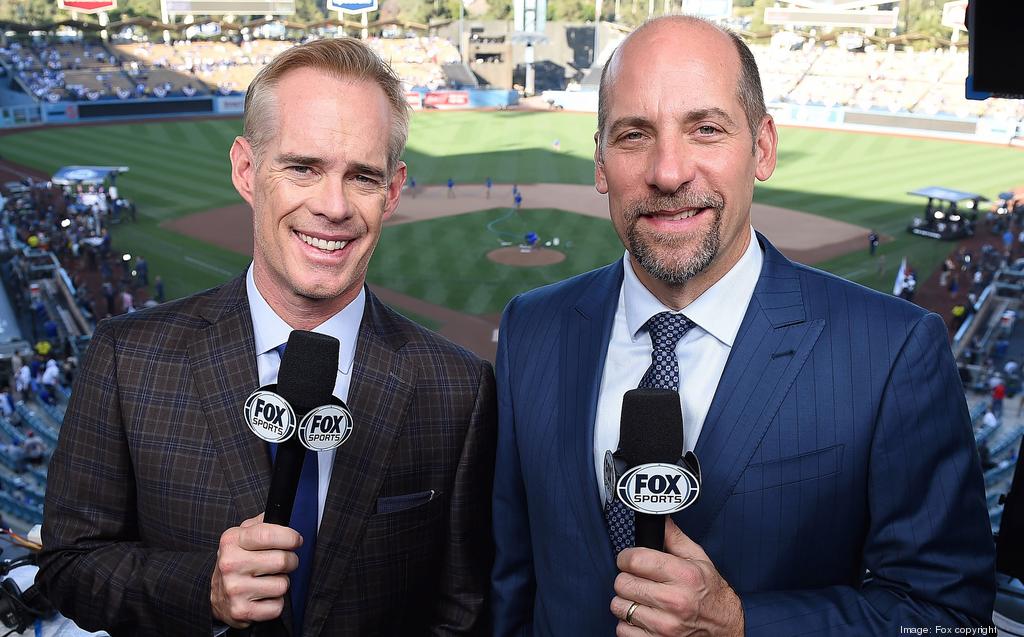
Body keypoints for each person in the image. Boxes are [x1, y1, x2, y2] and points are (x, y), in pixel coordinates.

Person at [491, 16, 994, 636]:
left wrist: (742, 624)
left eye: (706, 130)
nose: (668, 172)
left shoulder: (892, 351)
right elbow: (509, 583)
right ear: (600, 164)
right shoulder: (531, 329)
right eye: (633, 136)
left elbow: (950, 619)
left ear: (762, 148)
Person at [39, 38, 497, 636]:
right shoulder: (129, 357)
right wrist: (201, 586)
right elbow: (68, 566)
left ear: (391, 192)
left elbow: (460, 607)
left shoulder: (457, 387)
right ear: (247, 170)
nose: (333, 207)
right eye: (303, 167)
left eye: (362, 177)